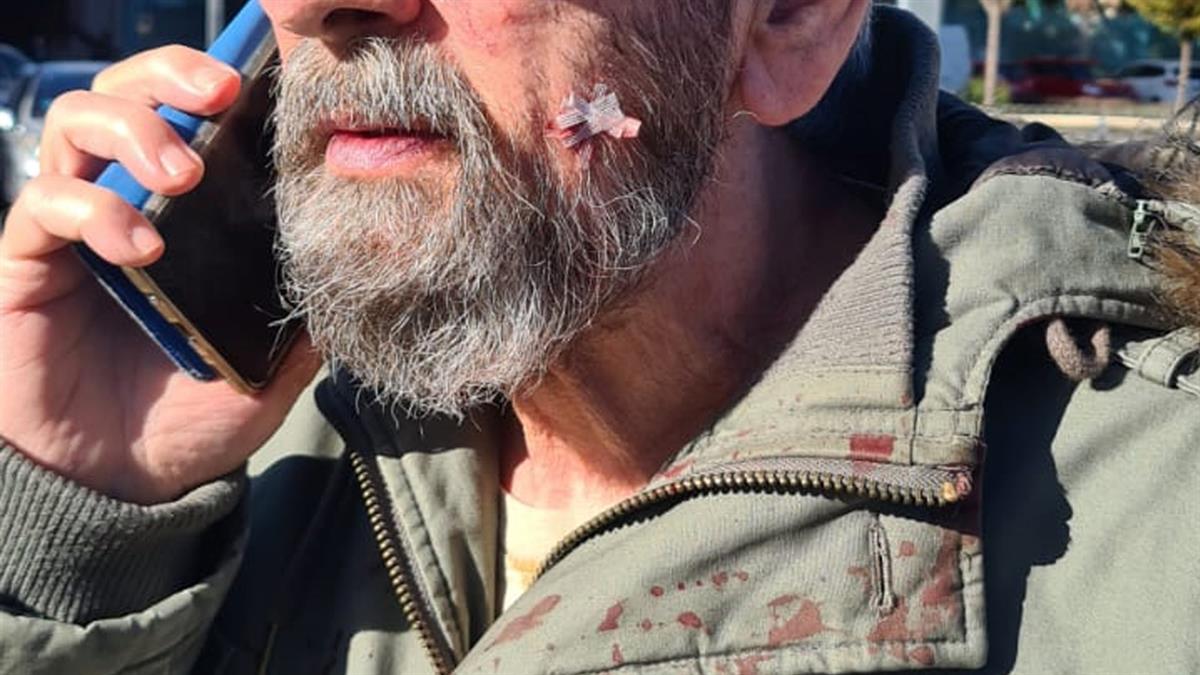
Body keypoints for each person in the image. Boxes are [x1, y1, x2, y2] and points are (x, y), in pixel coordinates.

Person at [0, 1, 1197, 673]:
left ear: (784, 20)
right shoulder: (257, 440)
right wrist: (82, 527)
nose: (314, 5)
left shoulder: (1156, 535)